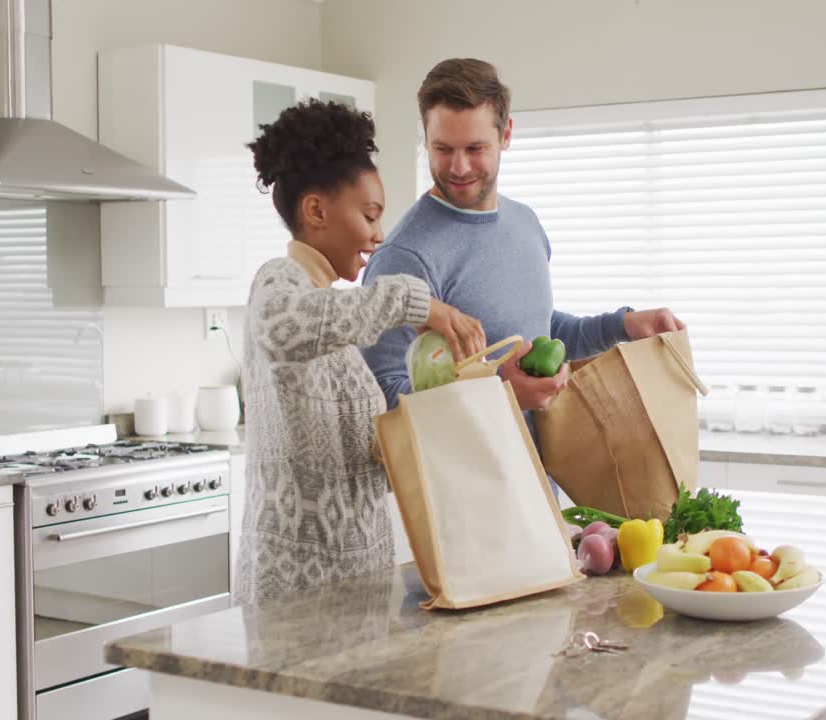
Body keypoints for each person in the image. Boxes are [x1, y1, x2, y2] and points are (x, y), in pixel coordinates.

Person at [235, 99, 486, 604]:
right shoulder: (277, 284)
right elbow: (290, 328)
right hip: (294, 596)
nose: (377, 234)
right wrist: (417, 303)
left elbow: (356, 463)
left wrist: (440, 403)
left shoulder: (337, 329)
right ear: (316, 210)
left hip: (359, 590)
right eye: (369, 215)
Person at [362, 58, 684, 417]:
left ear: (506, 135)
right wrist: (500, 391)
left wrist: (622, 325)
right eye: (443, 149)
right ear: (425, 140)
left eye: (474, 148)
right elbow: (382, 399)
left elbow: (539, 329)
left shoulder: (525, 223)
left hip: (538, 471)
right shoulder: (405, 256)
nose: (458, 167)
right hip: (466, 473)